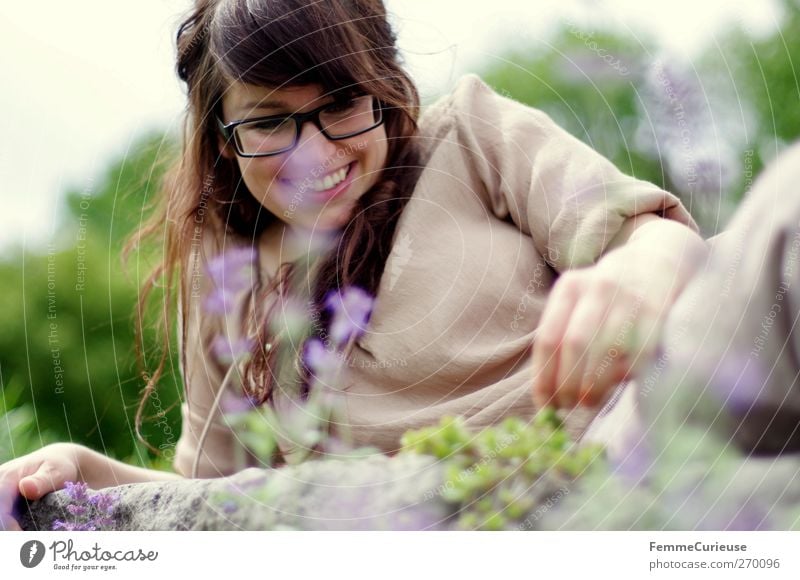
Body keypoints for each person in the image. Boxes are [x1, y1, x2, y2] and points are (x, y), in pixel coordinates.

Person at [0, 0, 707, 531]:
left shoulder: (472, 135)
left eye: (339, 105)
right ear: (221, 137)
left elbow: (660, 238)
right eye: (270, 122)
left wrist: (639, 269)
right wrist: (83, 473)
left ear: (382, 83)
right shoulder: (229, 275)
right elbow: (207, 496)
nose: (315, 154)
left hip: (596, 478)